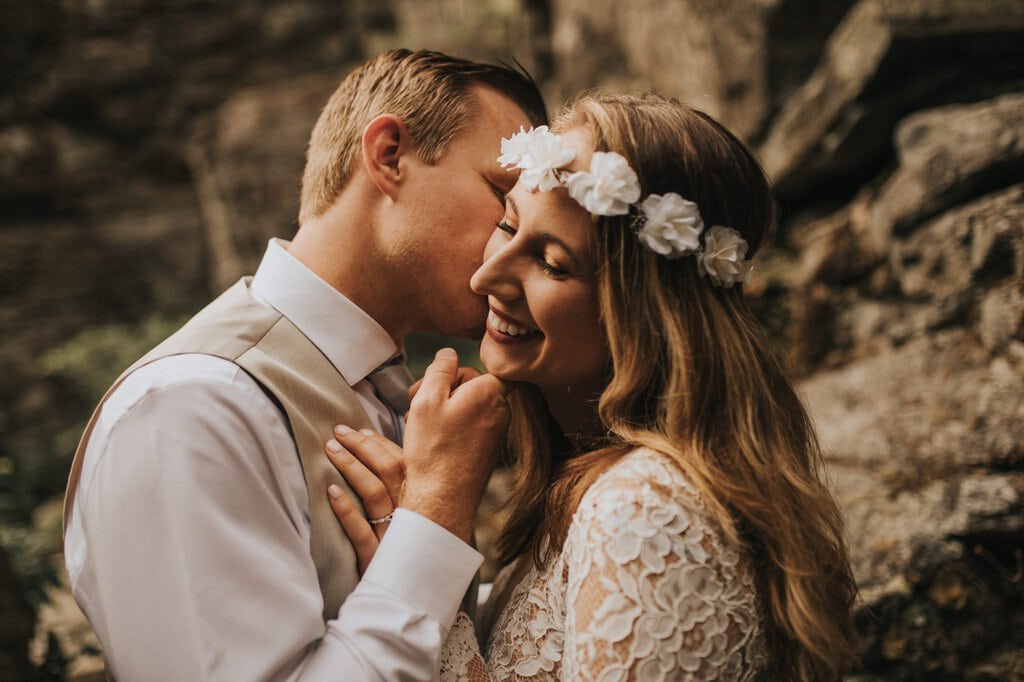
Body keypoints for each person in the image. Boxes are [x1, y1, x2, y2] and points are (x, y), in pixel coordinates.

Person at [324, 93, 860, 680]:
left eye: (553, 264)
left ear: (648, 315)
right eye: (507, 223)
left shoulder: (646, 510)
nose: (486, 275)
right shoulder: (581, 485)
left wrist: (433, 530)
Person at [61, 49, 546, 680]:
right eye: (502, 196)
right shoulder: (192, 407)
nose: (516, 243)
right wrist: (434, 518)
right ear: (389, 155)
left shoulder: (395, 399)